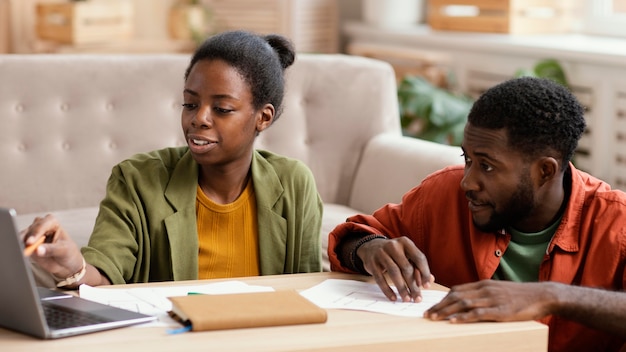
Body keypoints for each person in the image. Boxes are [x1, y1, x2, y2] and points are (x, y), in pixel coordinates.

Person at [328, 77, 626, 352]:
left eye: (487, 166)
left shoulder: (615, 223)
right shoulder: (441, 194)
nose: (467, 182)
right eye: (467, 158)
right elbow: (353, 238)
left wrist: (551, 296)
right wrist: (370, 249)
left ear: (544, 171)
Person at [23, 30, 323, 288]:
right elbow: (104, 276)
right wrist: (73, 267)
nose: (199, 118)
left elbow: (308, 290)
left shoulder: (294, 184)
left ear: (263, 117)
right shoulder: (137, 179)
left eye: (222, 109)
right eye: (190, 103)